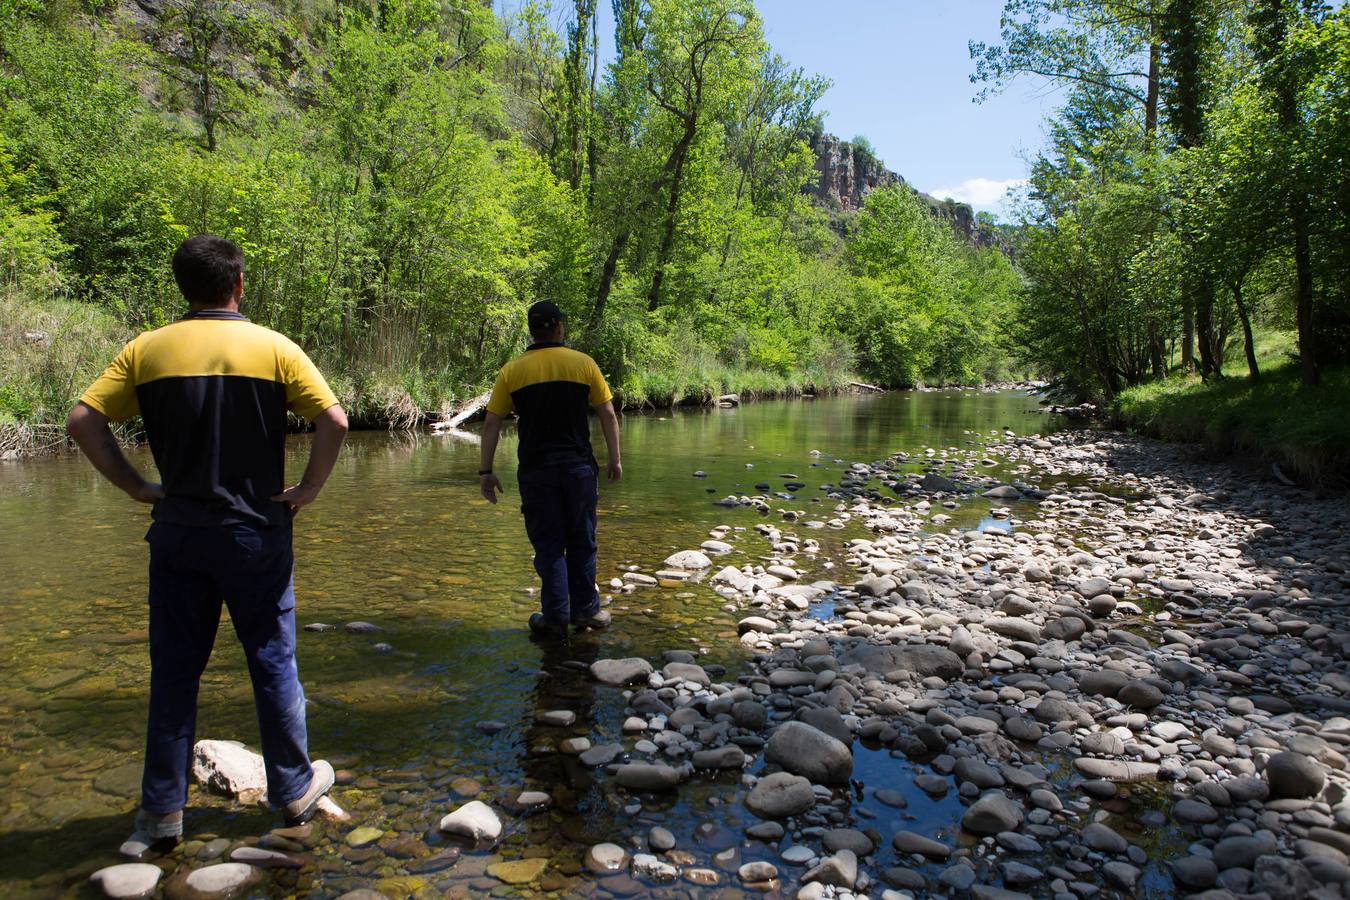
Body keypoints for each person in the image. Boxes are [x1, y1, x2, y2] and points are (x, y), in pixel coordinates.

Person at [65, 235, 348, 858]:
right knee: (273, 663)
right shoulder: (273, 347)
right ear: (239, 284)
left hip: (179, 534)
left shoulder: (147, 350)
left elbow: (83, 420)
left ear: (183, 286)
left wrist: (139, 486)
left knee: (173, 674)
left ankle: (163, 813)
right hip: (256, 534)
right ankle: (295, 792)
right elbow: (334, 419)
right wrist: (308, 488)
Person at [479, 300, 621, 641]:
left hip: (536, 470)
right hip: (578, 468)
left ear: (532, 330)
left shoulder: (511, 371)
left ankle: (555, 618)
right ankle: (586, 611)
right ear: (559, 327)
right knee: (582, 540)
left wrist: (485, 471)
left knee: (549, 545)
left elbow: (492, 423)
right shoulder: (583, 364)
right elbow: (608, 413)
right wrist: (614, 458)